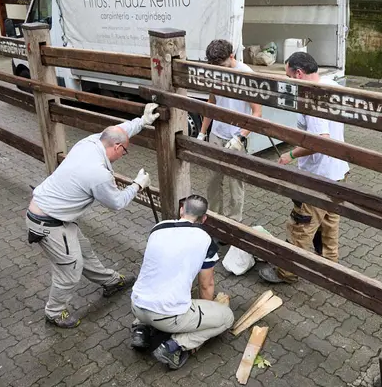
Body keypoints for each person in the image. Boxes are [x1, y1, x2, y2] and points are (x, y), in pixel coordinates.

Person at [25, 103, 160, 328]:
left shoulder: (90, 142)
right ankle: (54, 312)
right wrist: (138, 184)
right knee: (70, 270)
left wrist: (142, 122)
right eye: (125, 151)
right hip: (48, 224)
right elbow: (116, 203)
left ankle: (111, 282)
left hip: (55, 217)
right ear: (117, 147)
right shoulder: (98, 172)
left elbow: (119, 130)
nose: (124, 155)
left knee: (84, 252)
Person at [258, 52, 350, 284]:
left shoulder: (312, 100)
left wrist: (290, 155)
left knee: (301, 225)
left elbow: (321, 142)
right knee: (329, 223)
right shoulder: (330, 85)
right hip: (337, 173)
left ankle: (287, 272)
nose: (290, 81)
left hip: (318, 176)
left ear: (299, 73)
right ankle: (329, 268)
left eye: (290, 75)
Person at [130, 195, 234, 369]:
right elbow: (206, 285)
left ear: (181, 210)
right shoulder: (205, 239)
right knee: (226, 318)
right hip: (168, 315)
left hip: (137, 305)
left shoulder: (158, 228)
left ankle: (141, 330)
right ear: (204, 219)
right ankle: (173, 346)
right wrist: (205, 312)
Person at [197, 39, 263, 223]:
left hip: (236, 137)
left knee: (235, 184)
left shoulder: (246, 75)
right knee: (212, 181)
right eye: (213, 64)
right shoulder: (215, 72)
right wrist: (202, 132)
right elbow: (212, 103)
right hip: (217, 134)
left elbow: (257, 113)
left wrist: (240, 137)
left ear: (231, 56)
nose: (217, 68)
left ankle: (233, 222)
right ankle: (214, 218)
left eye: (221, 64)